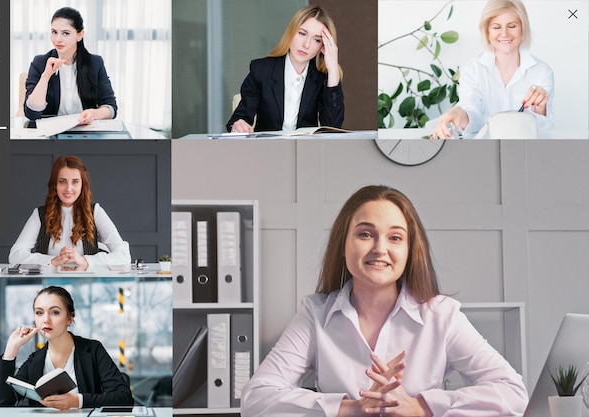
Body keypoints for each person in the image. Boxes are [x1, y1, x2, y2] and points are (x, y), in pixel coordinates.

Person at [241, 185, 529, 416]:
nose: (380, 249)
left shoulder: (441, 316)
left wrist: (421, 407)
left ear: (409, 251)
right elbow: (256, 399)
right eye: (365, 234)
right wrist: (350, 408)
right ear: (343, 245)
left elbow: (513, 392)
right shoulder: (315, 315)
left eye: (395, 238)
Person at [0, 286, 133, 409]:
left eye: (55, 312)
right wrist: (11, 350)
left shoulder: (92, 350)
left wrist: (77, 401)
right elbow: (0, 404)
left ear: (70, 318)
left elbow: (124, 398)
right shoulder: (35, 360)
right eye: (39, 312)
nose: (46, 319)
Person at [432, 0, 553, 139]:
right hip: (484, 152)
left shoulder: (542, 71)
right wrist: (458, 113)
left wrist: (540, 106)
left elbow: (543, 128)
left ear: (523, 29)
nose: (504, 34)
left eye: (512, 26)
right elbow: (473, 114)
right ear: (487, 32)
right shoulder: (473, 70)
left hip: (525, 151)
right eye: (496, 27)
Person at [226, 5, 344, 133]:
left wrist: (332, 69)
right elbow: (240, 118)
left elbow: (333, 127)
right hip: (267, 149)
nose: (306, 45)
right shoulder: (262, 70)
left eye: (316, 40)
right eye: (302, 33)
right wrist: (238, 125)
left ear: (323, 45)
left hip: (306, 150)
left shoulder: (323, 77)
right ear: (291, 32)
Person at [9, 155, 131, 271]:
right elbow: (15, 256)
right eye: (62, 181)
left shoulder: (96, 211)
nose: (68, 188)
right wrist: (52, 261)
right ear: (55, 184)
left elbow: (124, 256)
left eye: (75, 182)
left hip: (86, 283)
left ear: (82, 185)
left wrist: (85, 261)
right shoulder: (40, 214)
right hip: (49, 282)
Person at [23, 7, 117, 123]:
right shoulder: (40, 63)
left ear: (80, 35)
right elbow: (31, 114)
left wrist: (94, 113)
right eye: (54, 32)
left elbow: (111, 108)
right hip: (51, 134)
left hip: (85, 132)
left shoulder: (95, 63)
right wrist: (46, 76)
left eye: (65, 33)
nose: (58, 39)